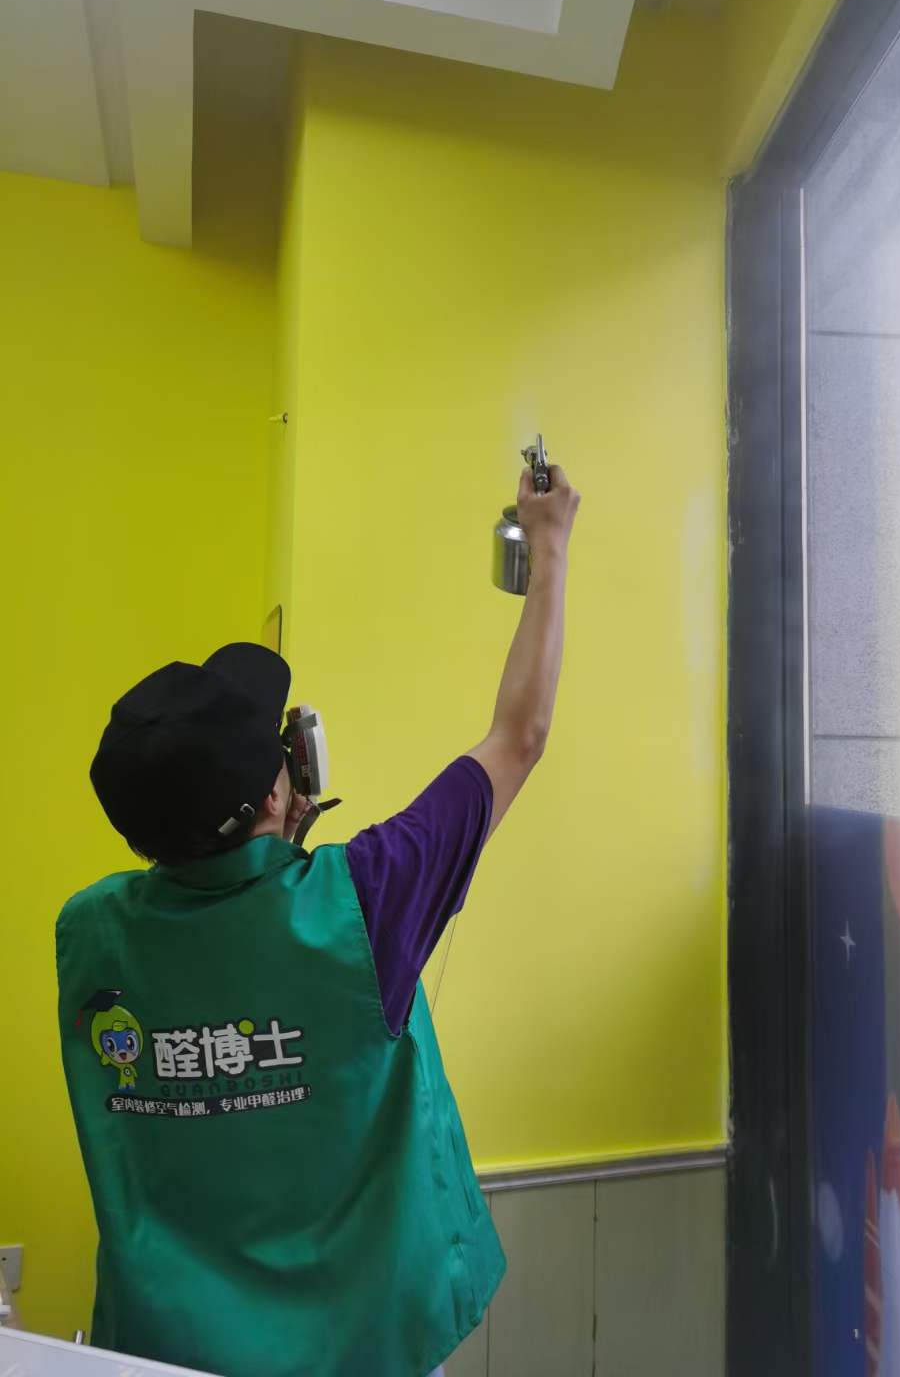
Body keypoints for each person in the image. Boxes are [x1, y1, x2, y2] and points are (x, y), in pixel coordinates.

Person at [57, 465, 580, 1377]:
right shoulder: (365, 899)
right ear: (276, 792)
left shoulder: (88, 931)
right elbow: (518, 736)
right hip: (364, 1346)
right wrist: (552, 546)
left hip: (165, 1347)